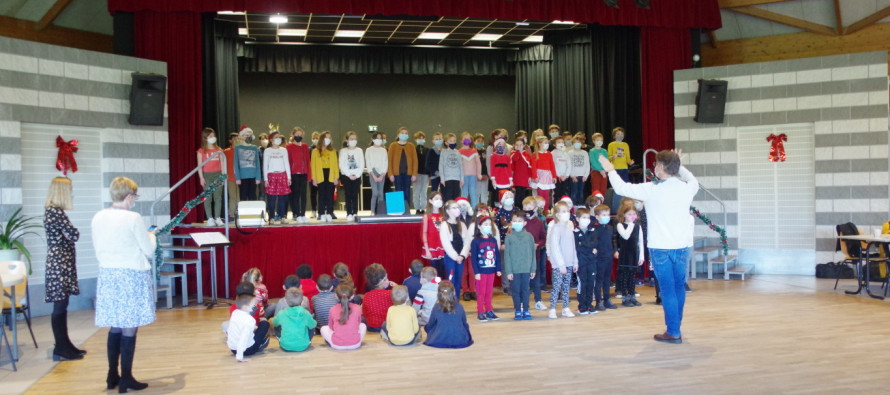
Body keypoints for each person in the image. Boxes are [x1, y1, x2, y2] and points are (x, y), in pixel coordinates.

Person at [599, 149, 698, 344]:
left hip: (661, 247)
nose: (654, 168)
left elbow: (620, 188)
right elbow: (690, 177)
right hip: (682, 245)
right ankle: (675, 328)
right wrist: (679, 164)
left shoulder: (652, 189)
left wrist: (610, 169)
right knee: (678, 288)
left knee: (668, 290)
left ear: (661, 168)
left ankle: (673, 331)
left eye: (656, 165)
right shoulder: (689, 187)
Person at [92, 177, 157, 392]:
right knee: (130, 327)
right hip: (131, 274)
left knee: (116, 325)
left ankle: (112, 375)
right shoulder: (133, 217)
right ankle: (127, 378)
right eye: (134, 196)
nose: (134, 200)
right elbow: (148, 250)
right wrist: (152, 236)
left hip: (109, 274)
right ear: (128, 196)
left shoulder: (98, 216)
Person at [44, 177, 85, 361]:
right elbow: (74, 234)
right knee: (60, 304)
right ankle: (60, 348)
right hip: (60, 263)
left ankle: (65, 344)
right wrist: (71, 232)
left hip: (61, 261)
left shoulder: (54, 211)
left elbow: (70, 234)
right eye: (70, 190)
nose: (72, 194)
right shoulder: (55, 211)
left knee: (63, 303)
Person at [546, 201, 577, 319]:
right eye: (563, 212)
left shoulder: (569, 226)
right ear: (557, 215)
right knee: (557, 287)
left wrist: (575, 262)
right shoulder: (555, 228)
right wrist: (561, 264)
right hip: (559, 265)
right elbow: (555, 248)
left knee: (566, 287)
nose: (566, 214)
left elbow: (573, 246)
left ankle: (565, 307)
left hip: (569, 263)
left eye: (567, 211)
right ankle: (552, 308)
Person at [504, 212, 536, 320]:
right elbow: (507, 255)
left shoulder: (529, 236)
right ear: (511, 223)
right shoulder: (509, 237)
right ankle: (518, 310)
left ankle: (526, 310)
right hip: (514, 270)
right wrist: (509, 271)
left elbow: (533, 253)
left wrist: (533, 269)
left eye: (519, 221)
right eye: (514, 221)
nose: (517, 223)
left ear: (525, 223)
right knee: (516, 290)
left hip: (526, 269)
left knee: (525, 290)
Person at [423, 281, 473, 349]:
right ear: (454, 293)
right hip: (460, 340)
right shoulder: (459, 306)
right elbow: (464, 321)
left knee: (432, 326)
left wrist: (427, 329)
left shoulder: (436, 307)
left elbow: (430, 324)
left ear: (438, 294)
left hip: (439, 339)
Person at [439, 200, 473, 297]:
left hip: (460, 257)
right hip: (451, 257)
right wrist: (455, 256)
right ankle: (449, 302)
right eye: (454, 208)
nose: (457, 210)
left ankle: (456, 301)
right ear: (448, 211)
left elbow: (467, 242)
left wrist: (462, 255)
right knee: (451, 281)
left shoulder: (462, 225)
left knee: (458, 281)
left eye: (458, 207)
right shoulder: (444, 225)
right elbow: (446, 243)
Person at [470, 216, 501, 322]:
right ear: (479, 226)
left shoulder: (493, 240)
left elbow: (497, 255)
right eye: (485, 224)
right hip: (481, 272)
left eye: (489, 225)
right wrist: (476, 272)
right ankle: (480, 312)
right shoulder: (476, 241)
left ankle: (489, 310)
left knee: (489, 291)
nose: (488, 227)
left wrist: (498, 268)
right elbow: (473, 258)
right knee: (481, 292)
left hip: (491, 271)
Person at [320, 284, 366, 350]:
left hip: (337, 345)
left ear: (336, 296)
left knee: (323, 328)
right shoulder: (358, 308)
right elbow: (358, 324)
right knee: (363, 325)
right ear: (352, 296)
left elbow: (331, 327)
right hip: (355, 344)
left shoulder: (332, 309)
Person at [522, 197, 548, 311]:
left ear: (535, 208)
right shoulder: (521, 221)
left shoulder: (539, 222)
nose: (527, 210)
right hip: (522, 257)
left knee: (536, 280)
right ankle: (523, 302)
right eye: (525, 208)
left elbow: (543, 238)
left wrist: (538, 244)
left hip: (535, 256)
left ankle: (538, 301)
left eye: (530, 208)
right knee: (523, 280)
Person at [616, 203, 645, 307]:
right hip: (625, 254)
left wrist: (641, 256)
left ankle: (632, 296)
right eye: (629, 214)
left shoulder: (638, 226)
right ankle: (625, 297)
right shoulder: (620, 225)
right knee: (624, 276)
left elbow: (640, 242)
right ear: (623, 215)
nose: (631, 216)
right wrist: (631, 224)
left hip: (634, 254)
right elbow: (626, 236)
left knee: (632, 277)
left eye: (633, 214)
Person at [227, 294, 270, 362]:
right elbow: (243, 339)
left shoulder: (235, 313)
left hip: (233, 349)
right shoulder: (249, 320)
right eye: (253, 304)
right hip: (247, 350)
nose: (255, 306)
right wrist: (240, 357)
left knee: (259, 326)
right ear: (245, 307)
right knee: (265, 324)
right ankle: (259, 346)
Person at [270, 288, 316, 352]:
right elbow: (313, 325)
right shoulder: (306, 313)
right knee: (311, 324)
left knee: (277, 324)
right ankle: (308, 341)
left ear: (286, 301)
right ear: (302, 300)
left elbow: (274, 323)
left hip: (285, 345)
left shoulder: (282, 313)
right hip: (303, 346)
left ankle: (281, 338)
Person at [591, 204, 617, 311]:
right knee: (599, 280)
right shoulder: (594, 228)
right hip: (599, 258)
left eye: (608, 214)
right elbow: (592, 242)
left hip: (608, 257)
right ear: (597, 217)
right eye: (604, 215)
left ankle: (607, 299)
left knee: (607, 280)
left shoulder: (610, 228)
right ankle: (598, 301)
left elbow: (613, 241)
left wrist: (614, 250)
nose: (607, 216)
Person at [197, 127, 224, 226]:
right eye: (210, 136)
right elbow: (200, 165)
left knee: (218, 197)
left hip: (218, 174)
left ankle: (217, 217)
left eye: (214, 136)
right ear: (205, 138)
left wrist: (223, 177)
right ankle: (210, 218)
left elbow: (222, 164)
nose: (213, 138)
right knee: (208, 198)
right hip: (207, 175)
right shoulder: (201, 151)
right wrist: (201, 177)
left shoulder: (219, 150)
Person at [263, 131, 292, 224]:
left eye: (279, 137)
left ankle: (282, 216)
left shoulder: (284, 150)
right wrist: (265, 179)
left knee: (282, 198)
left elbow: (286, 163)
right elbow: (265, 165)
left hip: (282, 175)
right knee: (271, 198)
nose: (278, 139)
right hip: (271, 176)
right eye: (276, 137)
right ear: (271, 140)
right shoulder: (267, 151)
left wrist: (289, 177)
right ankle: (271, 217)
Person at [311, 131, 340, 223]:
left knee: (330, 194)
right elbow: (313, 165)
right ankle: (321, 212)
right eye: (326, 137)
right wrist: (314, 178)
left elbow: (336, 165)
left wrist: (336, 177)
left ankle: (330, 212)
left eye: (329, 138)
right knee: (321, 194)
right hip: (320, 174)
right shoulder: (315, 151)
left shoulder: (333, 151)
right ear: (322, 139)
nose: (328, 139)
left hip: (330, 173)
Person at [388, 127, 418, 214]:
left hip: (408, 173)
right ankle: (398, 211)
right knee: (398, 191)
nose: (404, 134)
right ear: (398, 134)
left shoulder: (411, 146)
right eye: (402, 133)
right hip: (396, 173)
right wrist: (390, 173)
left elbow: (415, 160)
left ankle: (407, 210)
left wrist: (414, 173)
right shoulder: (393, 145)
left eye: (406, 133)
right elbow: (389, 160)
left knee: (407, 191)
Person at [574, 208, 598, 315]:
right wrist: (588, 247)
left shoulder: (593, 231)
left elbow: (595, 244)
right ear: (578, 219)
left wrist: (583, 244)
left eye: (588, 218)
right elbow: (577, 247)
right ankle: (581, 305)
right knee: (582, 284)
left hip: (591, 261)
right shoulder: (575, 232)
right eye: (584, 218)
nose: (586, 220)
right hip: (581, 262)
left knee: (590, 283)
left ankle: (589, 304)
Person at [286, 127, 311, 223]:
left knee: (303, 195)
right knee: (295, 194)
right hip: (294, 174)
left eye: (300, 135)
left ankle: (303, 214)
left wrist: (309, 174)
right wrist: (289, 176)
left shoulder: (305, 146)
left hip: (303, 174)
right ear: (292, 135)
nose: (298, 136)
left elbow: (308, 161)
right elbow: (288, 161)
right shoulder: (289, 147)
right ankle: (297, 214)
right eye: (297, 135)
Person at [339, 131, 364, 221]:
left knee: (355, 195)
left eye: (355, 139)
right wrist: (349, 175)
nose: (353, 141)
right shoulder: (343, 151)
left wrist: (357, 175)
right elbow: (341, 165)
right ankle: (349, 213)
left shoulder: (359, 150)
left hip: (356, 176)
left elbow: (362, 164)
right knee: (348, 194)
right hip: (347, 176)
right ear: (347, 140)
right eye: (351, 139)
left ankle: (355, 213)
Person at [421, 191, 446, 278]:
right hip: (432, 246)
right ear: (430, 201)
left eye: (440, 199)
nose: (439, 200)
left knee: (443, 270)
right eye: (436, 199)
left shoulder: (443, 215)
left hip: (442, 246)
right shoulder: (427, 216)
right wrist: (427, 249)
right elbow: (424, 233)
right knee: (433, 271)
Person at [362, 263, 393, 332]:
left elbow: (365, 314)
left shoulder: (366, 296)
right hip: (387, 326)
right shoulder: (391, 294)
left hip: (372, 327)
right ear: (383, 279)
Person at [234, 127, 261, 203]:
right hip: (242, 177)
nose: (248, 137)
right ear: (242, 136)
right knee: (243, 196)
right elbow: (236, 164)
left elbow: (257, 163)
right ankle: (244, 213)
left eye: (250, 135)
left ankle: (253, 213)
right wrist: (237, 178)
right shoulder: (237, 148)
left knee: (252, 196)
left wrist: (258, 177)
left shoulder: (254, 147)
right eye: (246, 135)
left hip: (253, 176)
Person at [365, 132, 388, 215]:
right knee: (375, 193)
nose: (379, 140)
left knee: (380, 193)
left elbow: (385, 162)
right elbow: (368, 163)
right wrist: (373, 175)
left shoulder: (383, 150)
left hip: (382, 173)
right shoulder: (369, 150)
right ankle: (372, 211)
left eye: (380, 138)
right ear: (373, 139)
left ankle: (380, 211)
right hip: (373, 173)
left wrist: (382, 174)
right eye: (377, 138)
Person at [457, 132, 482, 207]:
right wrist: (459, 177)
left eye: (468, 138)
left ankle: (474, 209)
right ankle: (463, 209)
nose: (467, 140)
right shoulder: (459, 152)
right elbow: (458, 166)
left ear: (470, 140)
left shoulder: (474, 151)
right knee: (464, 193)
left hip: (473, 176)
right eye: (465, 138)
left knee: (473, 192)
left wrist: (479, 173)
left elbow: (478, 163)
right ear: (461, 141)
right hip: (463, 176)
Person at [532, 136, 557, 209]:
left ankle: (545, 209)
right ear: (539, 144)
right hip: (539, 176)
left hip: (547, 176)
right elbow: (533, 167)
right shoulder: (535, 154)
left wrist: (554, 176)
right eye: (545, 143)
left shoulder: (549, 154)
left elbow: (552, 166)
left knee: (547, 194)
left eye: (547, 143)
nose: (547, 144)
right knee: (540, 194)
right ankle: (539, 209)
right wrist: (535, 176)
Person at [438, 133, 464, 202]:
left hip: (457, 178)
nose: (453, 142)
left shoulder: (458, 152)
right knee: (448, 197)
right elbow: (441, 166)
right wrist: (442, 178)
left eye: (454, 141)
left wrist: (462, 178)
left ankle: (455, 211)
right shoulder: (443, 152)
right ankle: (447, 211)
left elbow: (461, 165)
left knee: (456, 197)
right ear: (446, 143)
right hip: (447, 179)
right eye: (450, 141)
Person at [568, 136, 591, 208]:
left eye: (578, 142)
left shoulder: (585, 153)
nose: (577, 144)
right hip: (574, 176)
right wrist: (572, 175)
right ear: (572, 143)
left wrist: (586, 175)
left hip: (583, 176)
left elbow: (587, 165)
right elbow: (569, 165)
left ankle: (580, 207)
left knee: (581, 193)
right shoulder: (570, 153)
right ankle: (573, 207)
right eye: (575, 142)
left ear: (581, 143)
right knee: (574, 192)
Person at [510, 138, 533, 205]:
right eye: (517, 145)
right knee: (518, 194)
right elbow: (514, 160)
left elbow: (529, 166)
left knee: (524, 194)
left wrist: (530, 177)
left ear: (523, 145)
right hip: (517, 177)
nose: (519, 146)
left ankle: (524, 207)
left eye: (520, 145)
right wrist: (517, 152)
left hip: (525, 177)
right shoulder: (513, 154)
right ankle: (517, 207)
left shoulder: (526, 154)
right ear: (514, 145)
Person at [223, 132, 239, 222]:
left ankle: (239, 213)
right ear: (230, 141)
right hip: (230, 178)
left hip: (240, 178)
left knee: (239, 197)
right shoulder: (226, 151)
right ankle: (231, 214)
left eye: (238, 138)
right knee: (232, 197)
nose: (236, 140)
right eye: (234, 139)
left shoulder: (241, 150)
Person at [413, 131, 430, 214]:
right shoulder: (413, 150)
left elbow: (429, 162)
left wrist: (430, 174)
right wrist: (413, 174)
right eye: (419, 138)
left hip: (425, 174)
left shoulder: (427, 150)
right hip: (416, 174)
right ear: (415, 139)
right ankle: (416, 208)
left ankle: (423, 208)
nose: (421, 139)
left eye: (422, 138)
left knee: (424, 192)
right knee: (416, 192)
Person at [551, 136, 571, 201]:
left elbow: (569, 165)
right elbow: (553, 165)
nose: (561, 144)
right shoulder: (553, 153)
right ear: (554, 144)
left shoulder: (566, 153)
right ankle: (556, 205)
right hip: (557, 177)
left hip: (565, 177)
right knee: (557, 193)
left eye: (562, 142)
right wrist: (559, 175)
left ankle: (564, 205)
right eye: (559, 142)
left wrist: (566, 175)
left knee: (564, 192)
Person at [588, 132, 608, 196]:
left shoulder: (604, 151)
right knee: (596, 188)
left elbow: (606, 160)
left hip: (604, 172)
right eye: (597, 140)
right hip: (596, 171)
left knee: (603, 188)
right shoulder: (592, 151)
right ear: (593, 141)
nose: (600, 142)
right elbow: (593, 162)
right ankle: (595, 203)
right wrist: (600, 170)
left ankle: (602, 203)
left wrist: (604, 170)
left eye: (601, 140)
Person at [474, 133, 490, 208]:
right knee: (476, 193)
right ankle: (476, 208)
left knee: (484, 193)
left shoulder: (486, 151)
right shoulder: (473, 152)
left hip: (485, 175)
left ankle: (485, 208)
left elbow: (488, 164)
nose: (480, 142)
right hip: (475, 175)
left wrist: (487, 174)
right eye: (478, 141)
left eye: (481, 141)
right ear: (474, 142)